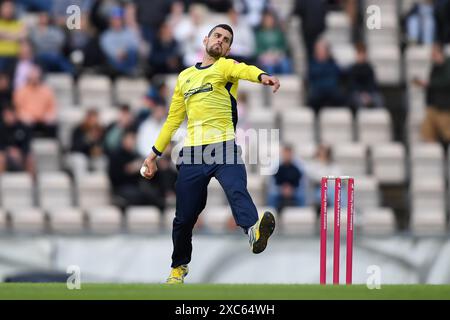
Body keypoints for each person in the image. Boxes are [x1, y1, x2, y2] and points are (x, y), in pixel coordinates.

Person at [141, 24, 280, 284]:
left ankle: (253, 230)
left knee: (236, 187)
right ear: (205, 39)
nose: (220, 41)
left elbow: (245, 70)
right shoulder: (184, 77)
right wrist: (153, 155)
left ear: (228, 49)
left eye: (226, 40)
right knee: (184, 218)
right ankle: (178, 268)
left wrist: (263, 77)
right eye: (217, 36)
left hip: (224, 146)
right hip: (193, 154)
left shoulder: (225, 67)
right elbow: (172, 120)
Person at [414, 43, 450, 148]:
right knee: (427, 134)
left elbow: (446, 82)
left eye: (434, 54)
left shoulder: (448, 65)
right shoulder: (435, 66)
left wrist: (429, 83)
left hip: (445, 109)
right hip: (433, 107)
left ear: (439, 53)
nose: (432, 56)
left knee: (448, 134)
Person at [267, 145, 306, 214]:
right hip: (280, 190)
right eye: (285, 153)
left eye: (289, 154)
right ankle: (272, 215)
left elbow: (299, 181)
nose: (287, 156)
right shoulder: (277, 167)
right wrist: (282, 189)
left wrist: (291, 189)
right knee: (272, 195)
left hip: (294, 190)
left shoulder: (297, 168)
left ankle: (300, 215)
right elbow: (275, 182)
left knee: (301, 195)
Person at [347, 42, 384, 112]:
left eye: (363, 54)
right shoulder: (352, 69)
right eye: (359, 54)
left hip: (370, 93)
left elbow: (372, 83)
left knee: (379, 99)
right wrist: (362, 94)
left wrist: (368, 94)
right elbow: (352, 85)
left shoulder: (369, 68)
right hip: (357, 93)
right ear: (356, 55)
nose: (361, 56)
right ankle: (363, 120)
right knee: (359, 100)